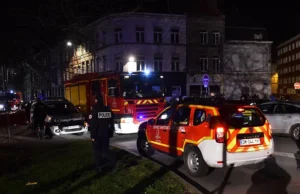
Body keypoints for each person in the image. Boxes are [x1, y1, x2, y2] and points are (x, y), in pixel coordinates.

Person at [91, 94, 116, 172]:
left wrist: (93, 135)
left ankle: (99, 166)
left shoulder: (95, 109)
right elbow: (111, 121)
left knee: (97, 150)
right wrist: (111, 131)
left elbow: (94, 124)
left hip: (98, 134)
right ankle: (112, 162)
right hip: (106, 133)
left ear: (97, 100)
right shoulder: (107, 109)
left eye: (95, 99)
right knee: (105, 149)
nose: (94, 101)